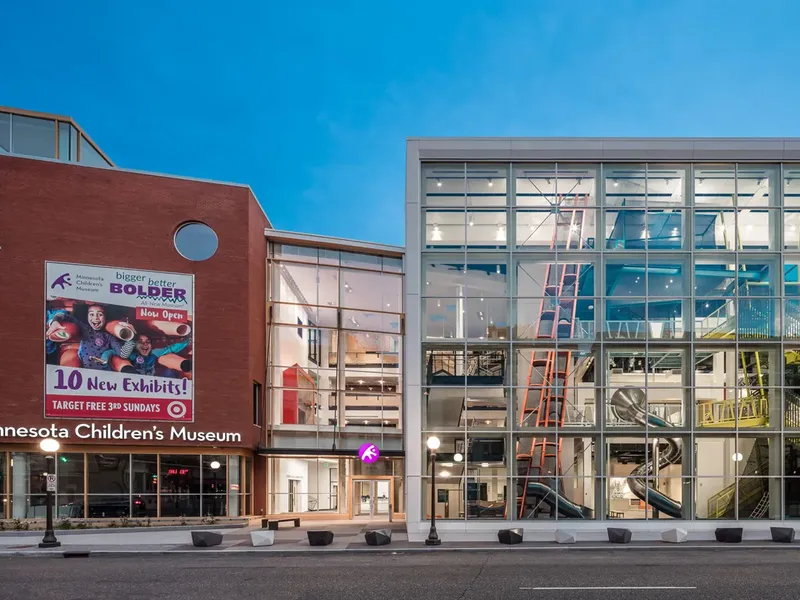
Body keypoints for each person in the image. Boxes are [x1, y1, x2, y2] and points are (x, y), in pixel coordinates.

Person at [46, 304, 133, 370]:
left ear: (105, 317)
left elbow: (123, 354)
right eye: (91, 314)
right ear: (87, 316)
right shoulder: (85, 329)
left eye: (100, 314)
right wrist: (55, 321)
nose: (95, 317)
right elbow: (66, 316)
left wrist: (132, 338)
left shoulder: (109, 337)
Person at [100, 333, 190, 377]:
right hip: (134, 382)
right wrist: (104, 359)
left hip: (151, 383)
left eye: (148, 342)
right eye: (141, 342)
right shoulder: (132, 355)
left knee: (170, 372)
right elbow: (111, 352)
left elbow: (171, 348)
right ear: (135, 345)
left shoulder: (154, 353)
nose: (145, 345)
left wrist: (187, 341)